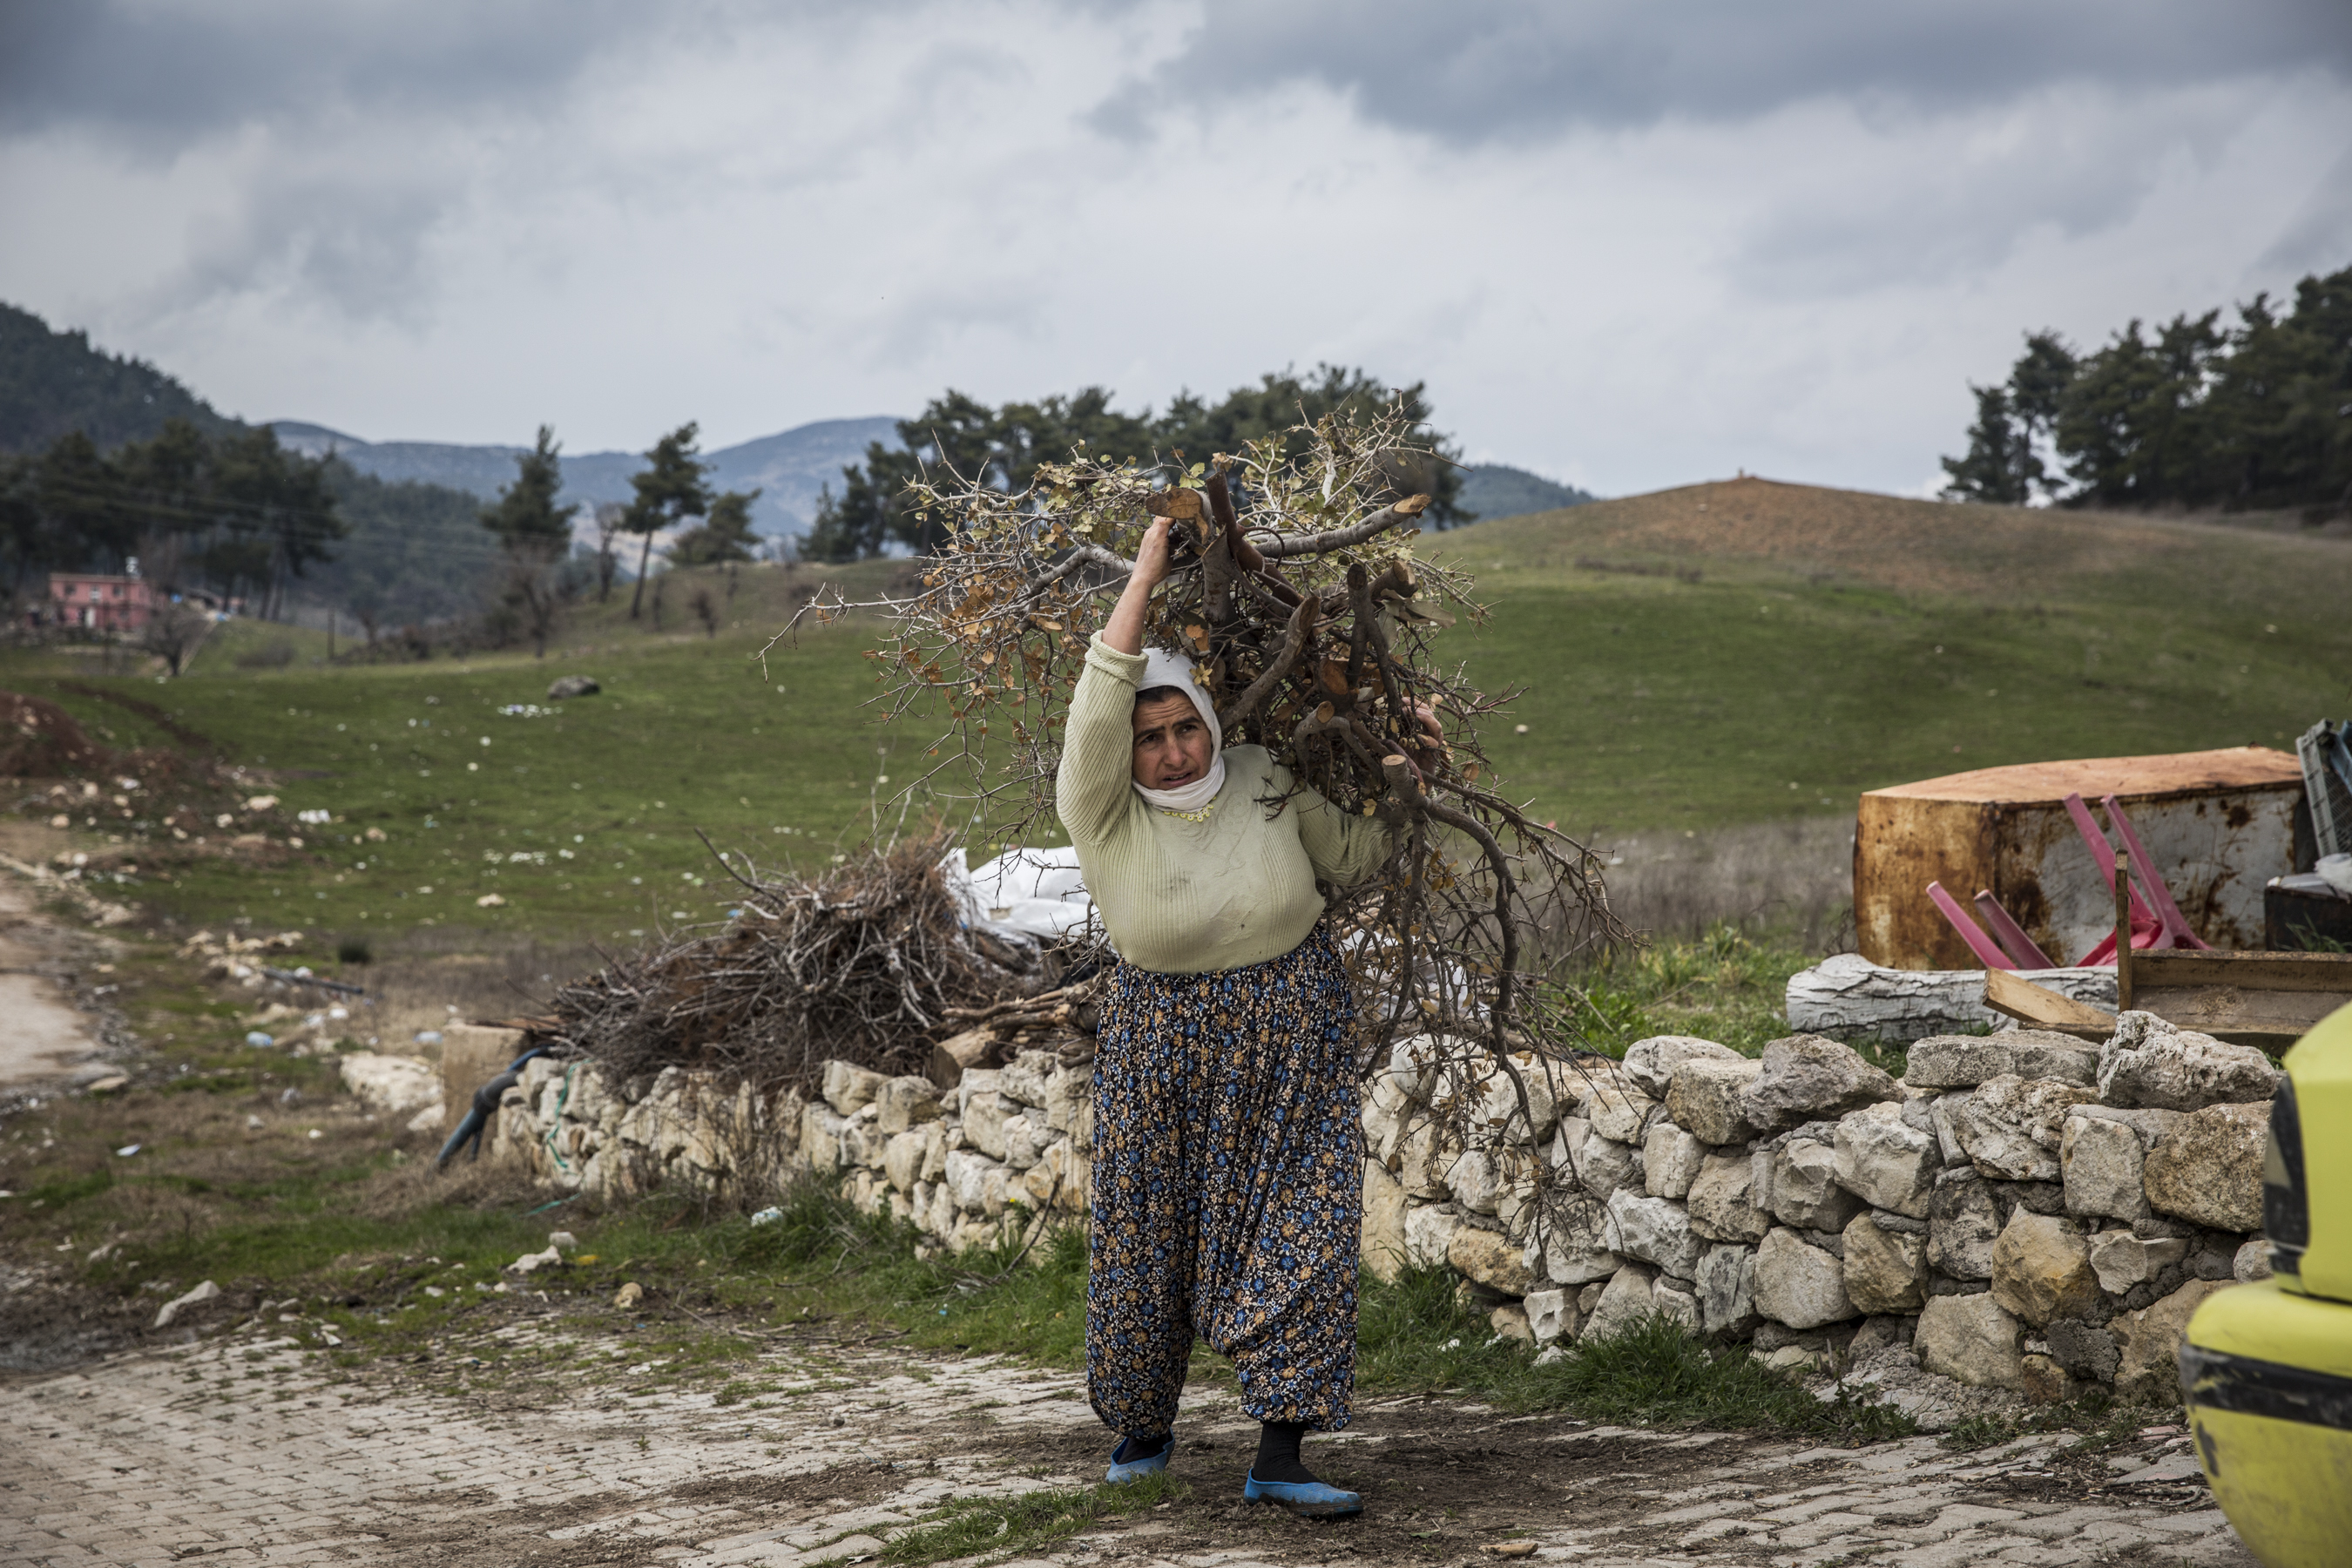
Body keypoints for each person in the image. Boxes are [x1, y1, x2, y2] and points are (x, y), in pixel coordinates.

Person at [1056, 516, 1414, 1519]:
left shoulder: (1262, 775)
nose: (1171, 752)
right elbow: (1097, 707)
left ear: (1212, 721)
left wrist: (1403, 783)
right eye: (1151, 737)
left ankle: (1282, 1453)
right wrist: (1144, 575)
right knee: (1145, 1230)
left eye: (1186, 729)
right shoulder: (1103, 811)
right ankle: (1142, 1425)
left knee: (1308, 1221)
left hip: (1293, 1026)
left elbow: (1351, 861)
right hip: (1158, 1039)